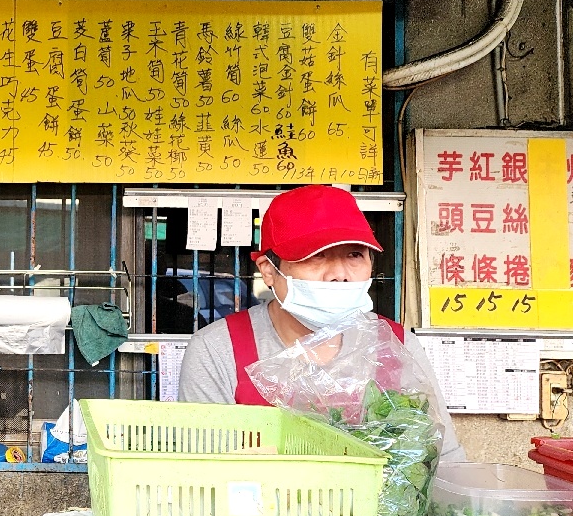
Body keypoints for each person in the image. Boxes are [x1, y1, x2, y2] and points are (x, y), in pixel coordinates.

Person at [178, 184, 464, 460]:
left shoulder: (397, 344)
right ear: (268, 270)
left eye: (354, 255)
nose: (339, 274)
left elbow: (443, 457)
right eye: (316, 256)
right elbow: (203, 472)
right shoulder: (218, 350)